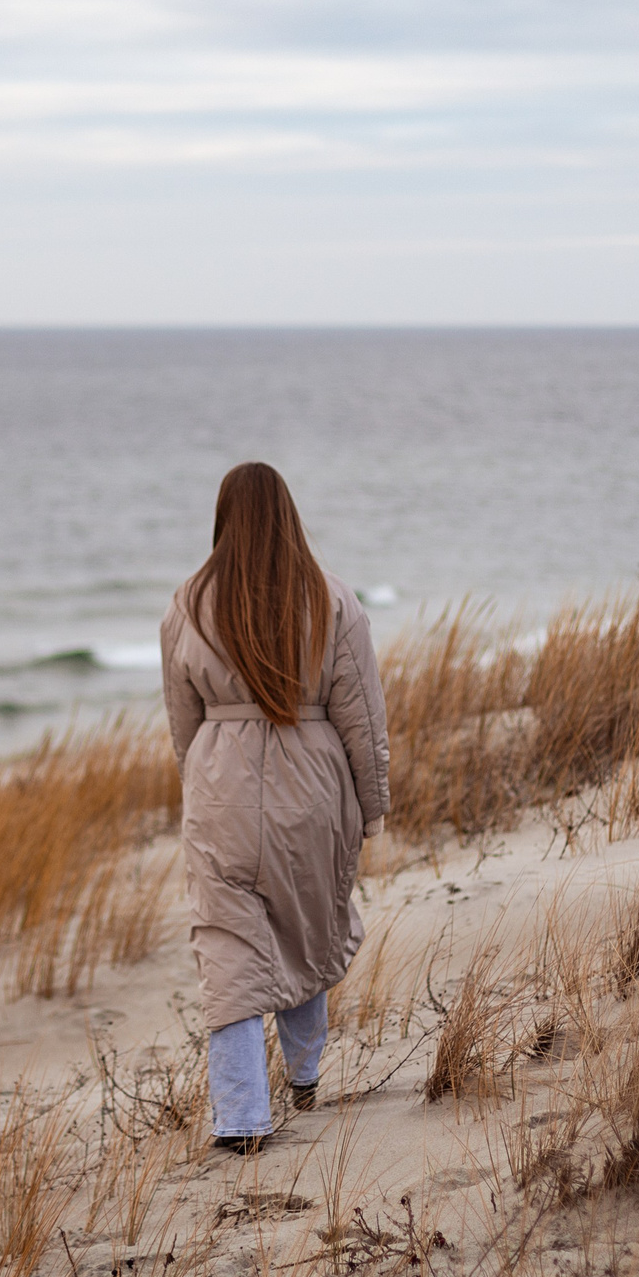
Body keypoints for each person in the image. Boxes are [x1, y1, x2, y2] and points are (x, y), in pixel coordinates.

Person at [159, 462, 389, 1155]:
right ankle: (306, 1074)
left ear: (222, 519)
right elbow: (362, 717)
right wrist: (372, 806)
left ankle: (240, 1119)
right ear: (289, 514)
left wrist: (201, 784)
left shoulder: (187, 605)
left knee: (228, 947)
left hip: (221, 782)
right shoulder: (332, 598)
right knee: (305, 922)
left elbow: (182, 722)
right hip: (313, 780)